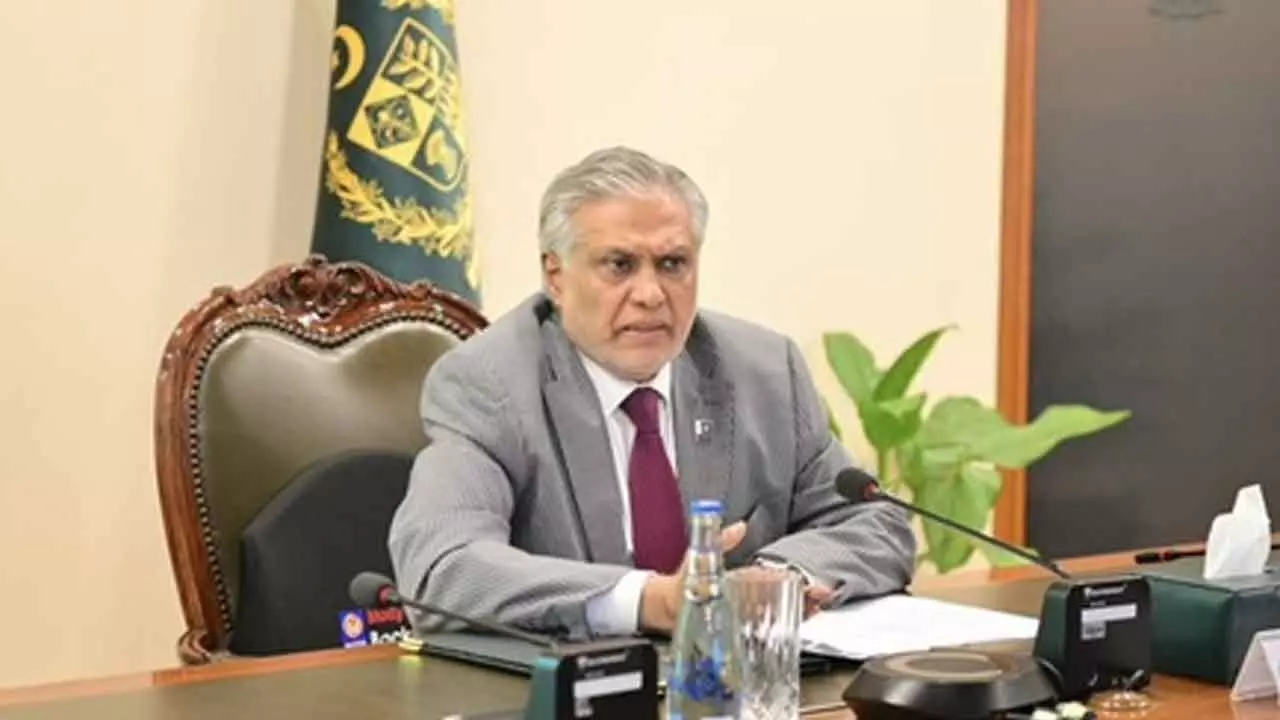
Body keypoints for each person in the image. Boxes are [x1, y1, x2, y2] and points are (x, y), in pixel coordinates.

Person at [388, 146, 915, 639]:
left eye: (672, 264)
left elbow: (874, 521)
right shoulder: (490, 384)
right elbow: (442, 566)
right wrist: (647, 601)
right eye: (619, 265)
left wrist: (777, 579)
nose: (649, 294)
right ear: (556, 276)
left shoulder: (765, 372)